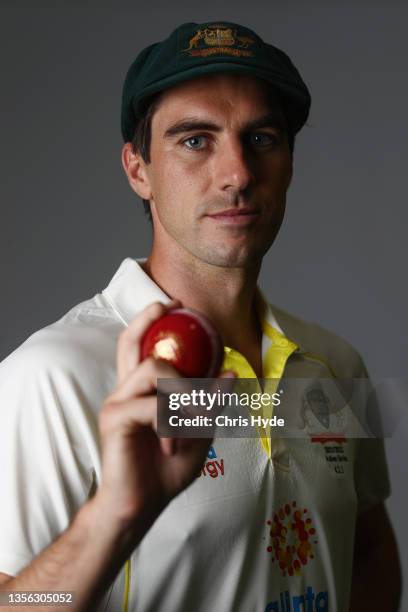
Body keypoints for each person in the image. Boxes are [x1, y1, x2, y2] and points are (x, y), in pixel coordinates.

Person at [0, 20, 401, 612]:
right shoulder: (53, 374)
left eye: (261, 138)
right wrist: (113, 516)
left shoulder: (336, 366)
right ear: (139, 170)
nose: (238, 173)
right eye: (195, 140)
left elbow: (368, 553)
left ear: (290, 162)